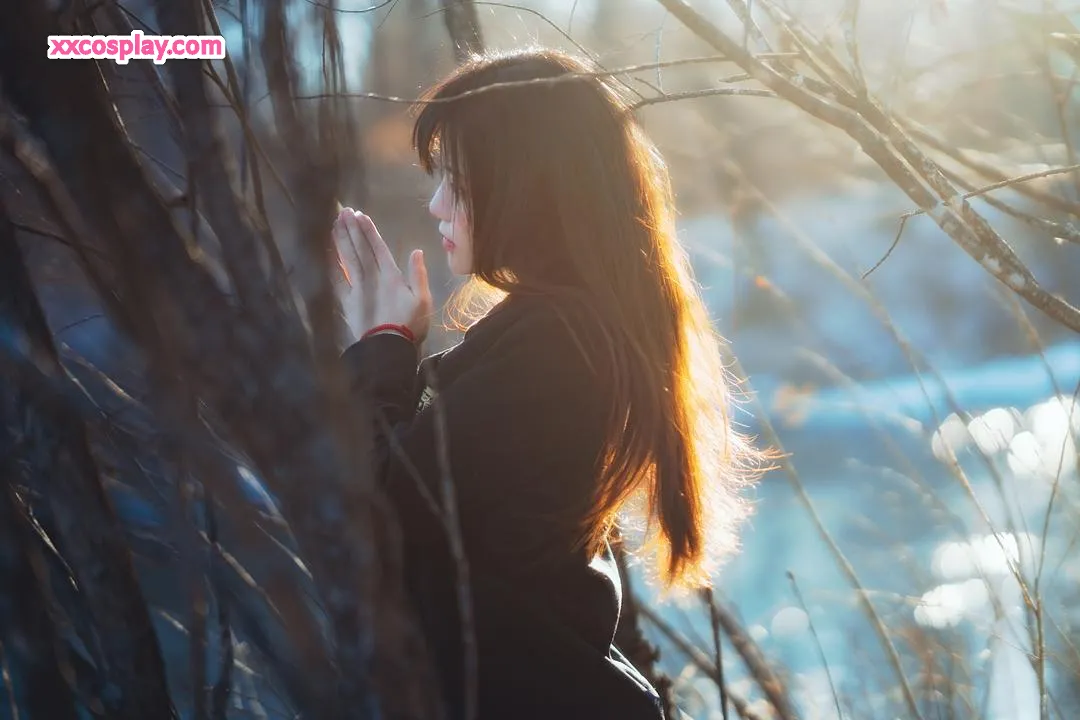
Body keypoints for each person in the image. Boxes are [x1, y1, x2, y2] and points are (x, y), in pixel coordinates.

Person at [332, 47, 764, 720]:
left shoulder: (555, 349)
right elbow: (437, 501)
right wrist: (392, 351)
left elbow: (379, 512)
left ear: (525, 186)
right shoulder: (557, 332)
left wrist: (382, 348)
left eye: (457, 181)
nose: (437, 205)